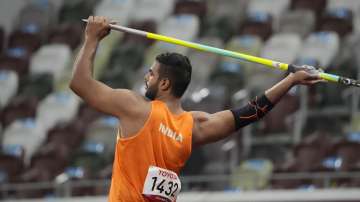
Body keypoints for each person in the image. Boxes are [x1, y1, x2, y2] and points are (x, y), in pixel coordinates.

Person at [70, 16, 324, 202]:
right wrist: (290, 81)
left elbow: (79, 84)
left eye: (151, 73)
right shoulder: (194, 125)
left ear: (165, 83)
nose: (146, 77)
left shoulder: (135, 107)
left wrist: (92, 38)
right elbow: (251, 112)